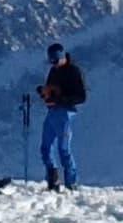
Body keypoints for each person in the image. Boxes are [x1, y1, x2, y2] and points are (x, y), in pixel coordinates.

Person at [35, 41, 88, 189]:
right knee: (45, 146)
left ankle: (71, 182)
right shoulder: (53, 71)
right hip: (52, 111)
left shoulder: (74, 71)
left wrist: (61, 99)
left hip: (66, 112)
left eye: (56, 61)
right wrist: (45, 93)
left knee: (63, 148)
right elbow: (50, 88)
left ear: (63, 57)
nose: (54, 64)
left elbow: (81, 97)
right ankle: (53, 178)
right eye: (51, 61)